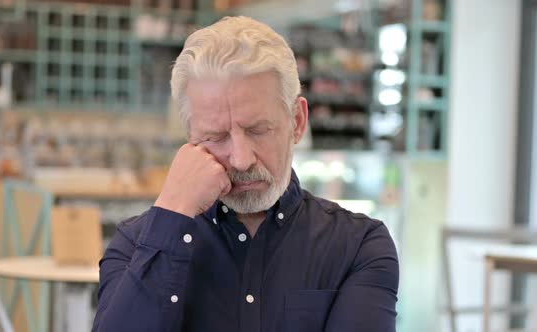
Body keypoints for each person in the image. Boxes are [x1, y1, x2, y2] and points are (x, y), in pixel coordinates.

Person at [92, 16, 399, 332]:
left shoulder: (358, 246)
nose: (240, 160)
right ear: (190, 138)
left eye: (258, 130)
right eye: (215, 136)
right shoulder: (134, 245)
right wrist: (173, 208)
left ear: (297, 121)